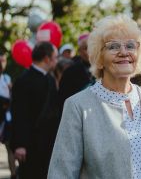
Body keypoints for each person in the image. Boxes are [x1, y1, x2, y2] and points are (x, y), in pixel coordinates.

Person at [48, 15, 141, 178]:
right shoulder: (78, 106)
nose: (124, 52)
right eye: (113, 47)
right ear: (99, 57)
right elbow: (61, 172)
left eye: (130, 46)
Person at [10, 41, 58, 179]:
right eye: (55, 57)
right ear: (47, 59)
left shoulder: (49, 78)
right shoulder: (23, 80)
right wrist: (20, 144)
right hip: (30, 145)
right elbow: (19, 114)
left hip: (48, 143)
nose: (56, 61)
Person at [57, 33, 94, 113]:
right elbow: (63, 98)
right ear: (79, 51)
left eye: (92, 47)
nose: (89, 51)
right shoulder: (70, 71)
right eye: (85, 48)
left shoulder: (104, 68)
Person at [0, 52, 17, 179]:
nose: (1, 64)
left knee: (9, 146)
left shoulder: (6, 78)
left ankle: (13, 174)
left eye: (4, 61)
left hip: (5, 116)